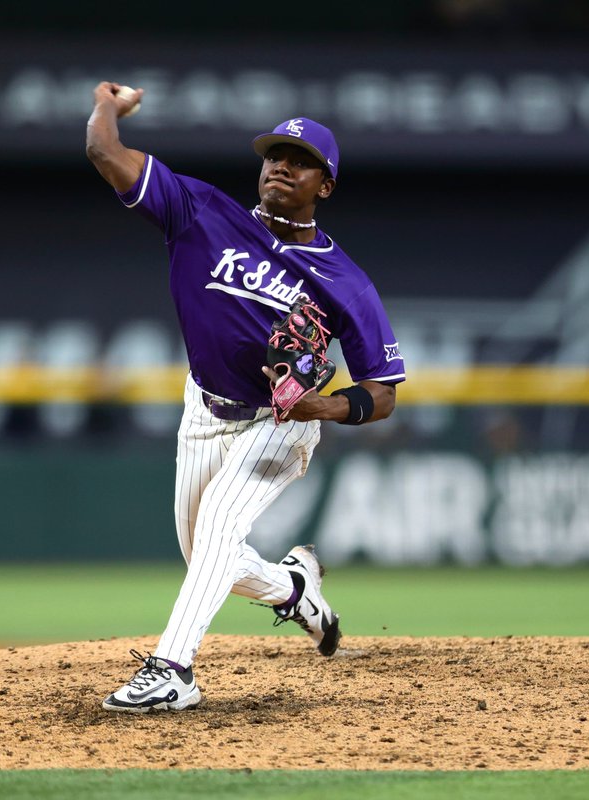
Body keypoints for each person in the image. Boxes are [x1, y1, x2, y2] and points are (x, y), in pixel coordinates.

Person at [86, 82, 406, 712]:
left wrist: (323, 406)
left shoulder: (347, 282)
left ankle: (173, 670)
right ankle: (293, 589)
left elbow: (384, 393)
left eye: (301, 159)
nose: (282, 165)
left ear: (325, 186)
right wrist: (106, 107)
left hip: (281, 419)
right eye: (273, 155)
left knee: (217, 533)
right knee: (205, 553)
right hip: (204, 409)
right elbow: (104, 151)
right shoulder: (200, 212)